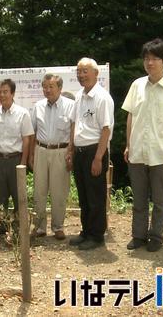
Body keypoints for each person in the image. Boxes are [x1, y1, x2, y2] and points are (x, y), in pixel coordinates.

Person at [122, 38, 163, 252]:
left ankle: (156, 236)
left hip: (162, 151)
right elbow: (131, 116)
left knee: (160, 199)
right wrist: (128, 145)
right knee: (139, 197)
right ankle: (138, 235)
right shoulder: (137, 85)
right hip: (138, 150)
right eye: (147, 59)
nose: (150, 63)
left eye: (155, 59)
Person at [66, 57, 114, 250]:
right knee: (84, 194)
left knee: (96, 195)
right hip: (79, 151)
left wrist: (98, 158)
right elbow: (74, 124)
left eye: (85, 71)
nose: (81, 75)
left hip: (95, 150)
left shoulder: (102, 97)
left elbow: (106, 129)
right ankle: (86, 231)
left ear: (96, 73)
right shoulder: (79, 96)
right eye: (78, 71)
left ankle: (97, 235)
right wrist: (70, 149)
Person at [29, 74, 74, 241]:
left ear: (60, 88)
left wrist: (71, 153)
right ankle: (40, 227)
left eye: (51, 86)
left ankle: (58, 227)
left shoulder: (70, 106)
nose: (47, 90)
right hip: (41, 150)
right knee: (39, 191)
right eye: (45, 87)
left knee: (59, 192)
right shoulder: (38, 106)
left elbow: (73, 132)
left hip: (61, 152)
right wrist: (32, 154)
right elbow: (32, 132)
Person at [0, 79, 34, 235]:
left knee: (18, 195)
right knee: (1, 196)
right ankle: (4, 225)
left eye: (5, 91)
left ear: (12, 93)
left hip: (16, 159)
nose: (2, 94)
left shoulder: (23, 113)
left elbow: (27, 139)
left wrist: (23, 162)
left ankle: (19, 226)